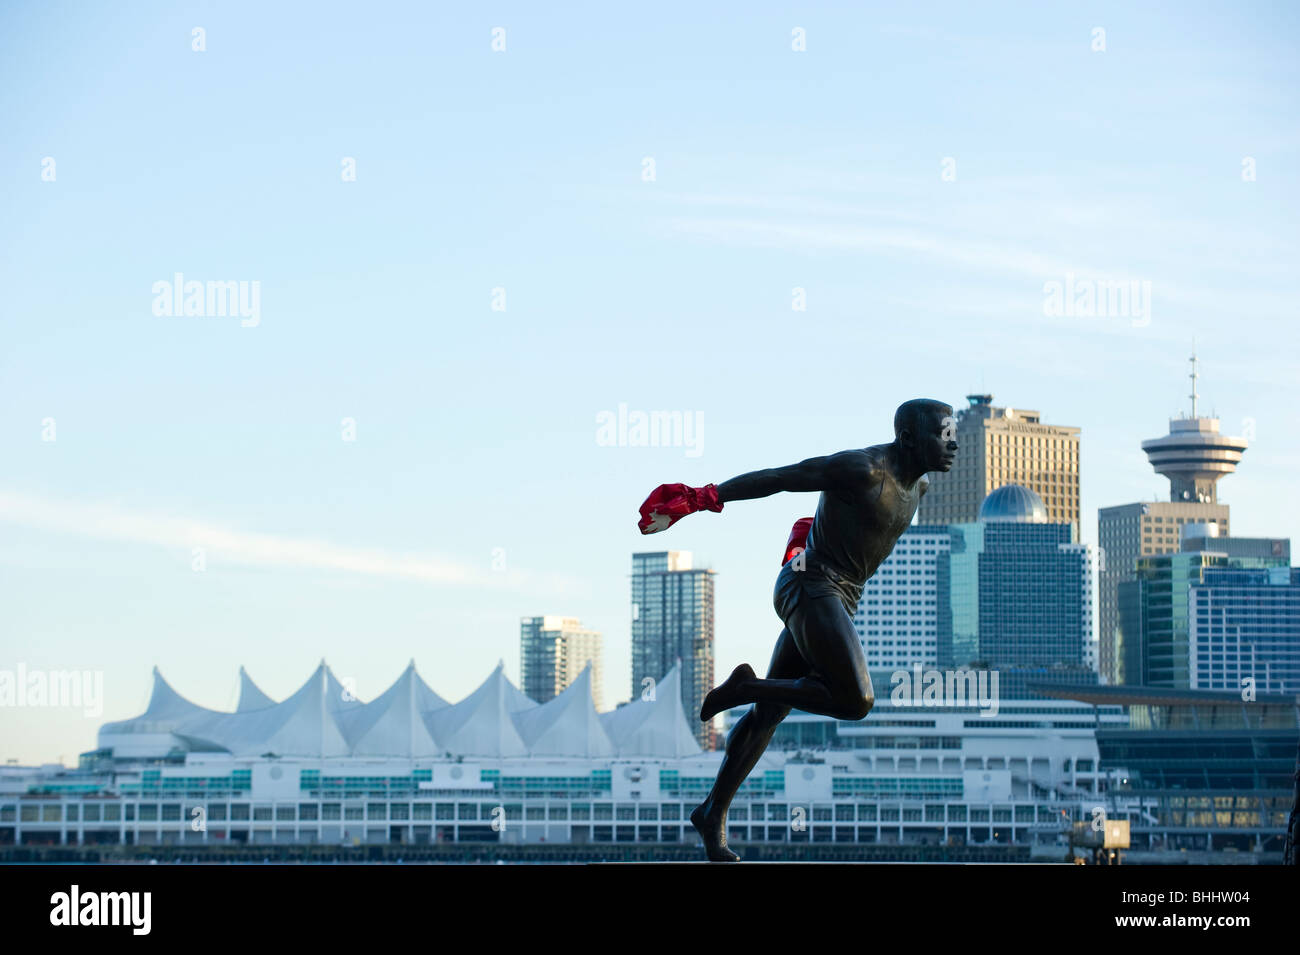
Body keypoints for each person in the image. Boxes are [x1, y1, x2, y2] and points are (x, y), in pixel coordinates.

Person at [636, 398, 957, 861]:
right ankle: (748, 686)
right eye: (942, 434)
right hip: (809, 583)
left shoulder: (920, 488)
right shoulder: (863, 470)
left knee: (769, 716)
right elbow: (780, 478)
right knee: (856, 700)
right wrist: (703, 498)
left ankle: (712, 814)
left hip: (839, 598)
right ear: (908, 438)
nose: (952, 444)